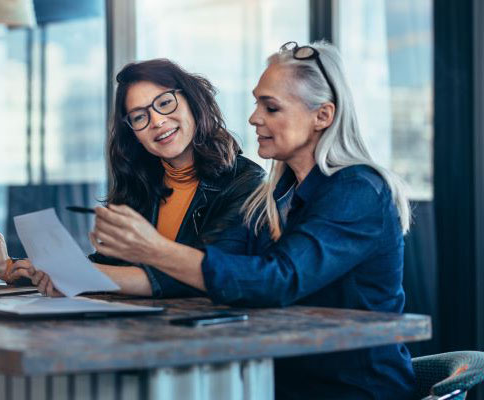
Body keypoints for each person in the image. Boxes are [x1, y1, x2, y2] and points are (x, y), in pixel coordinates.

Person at [80, 41, 416, 399]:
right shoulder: (271, 197)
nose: (254, 118)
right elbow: (215, 266)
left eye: (270, 107)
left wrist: (153, 247)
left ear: (323, 116)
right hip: (277, 382)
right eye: (257, 104)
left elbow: (277, 280)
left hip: (350, 390)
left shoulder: (358, 191)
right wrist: (75, 276)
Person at [0, 58, 264, 298]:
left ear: (192, 101)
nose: (157, 121)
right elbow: (108, 266)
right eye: (139, 117)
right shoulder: (142, 183)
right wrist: (11, 268)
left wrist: (76, 276)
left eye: (165, 103)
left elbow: (201, 275)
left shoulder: (246, 182)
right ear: (134, 134)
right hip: (139, 332)